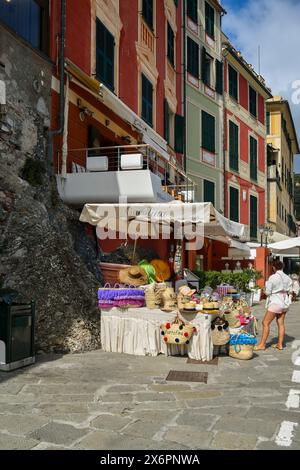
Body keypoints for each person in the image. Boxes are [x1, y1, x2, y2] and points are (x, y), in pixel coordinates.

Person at [255, 261, 292, 351]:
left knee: (265, 323)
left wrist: (264, 290)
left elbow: (268, 292)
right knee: (281, 323)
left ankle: (262, 345)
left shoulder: (273, 277)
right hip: (284, 302)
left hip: (276, 301)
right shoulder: (288, 278)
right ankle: (280, 344)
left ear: (274, 268)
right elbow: (290, 291)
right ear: (282, 267)